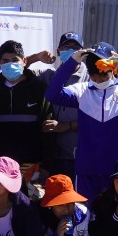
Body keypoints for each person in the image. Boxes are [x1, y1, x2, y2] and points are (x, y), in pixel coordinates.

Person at [45, 42, 118, 200]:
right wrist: (71, 63)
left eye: (103, 73)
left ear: (114, 69)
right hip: (87, 170)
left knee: (117, 218)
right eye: (93, 73)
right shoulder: (81, 90)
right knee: (84, 218)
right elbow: (51, 94)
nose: (98, 78)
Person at [0, 39, 50, 178]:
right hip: (1, 164)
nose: (10, 64)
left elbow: (48, 129)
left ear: (24, 61)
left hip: (32, 164)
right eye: (5, 61)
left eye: (14, 60)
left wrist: (47, 164)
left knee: (29, 200)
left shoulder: (39, 89)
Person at [40, 32, 84, 180]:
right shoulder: (50, 75)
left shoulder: (92, 78)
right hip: (53, 155)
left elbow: (99, 119)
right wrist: (38, 57)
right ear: (58, 52)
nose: (71, 50)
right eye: (66, 46)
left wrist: (67, 126)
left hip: (79, 154)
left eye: (76, 47)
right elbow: (20, 70)